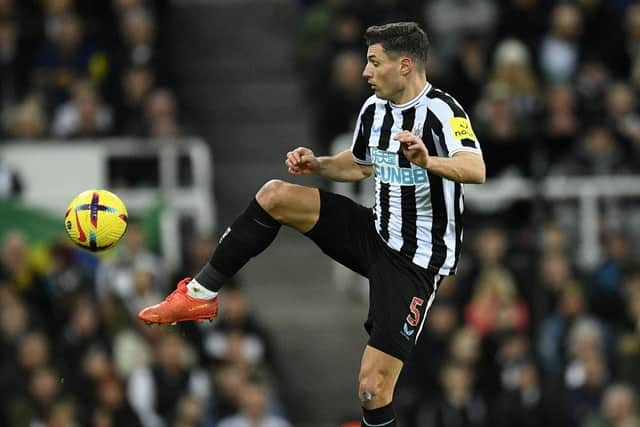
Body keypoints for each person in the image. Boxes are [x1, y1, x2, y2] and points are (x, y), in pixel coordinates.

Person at [138, 22, 485, 426]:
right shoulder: (374, 110)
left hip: (415, 262)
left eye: (373, 62)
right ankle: (200, 292)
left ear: (404, 65)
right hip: (374, 231)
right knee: (275, 195)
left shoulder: (443, 111)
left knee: (372, 390)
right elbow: (359, 166)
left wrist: (429, 162)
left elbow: (474, 167)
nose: (364, 72)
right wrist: (318, 164)